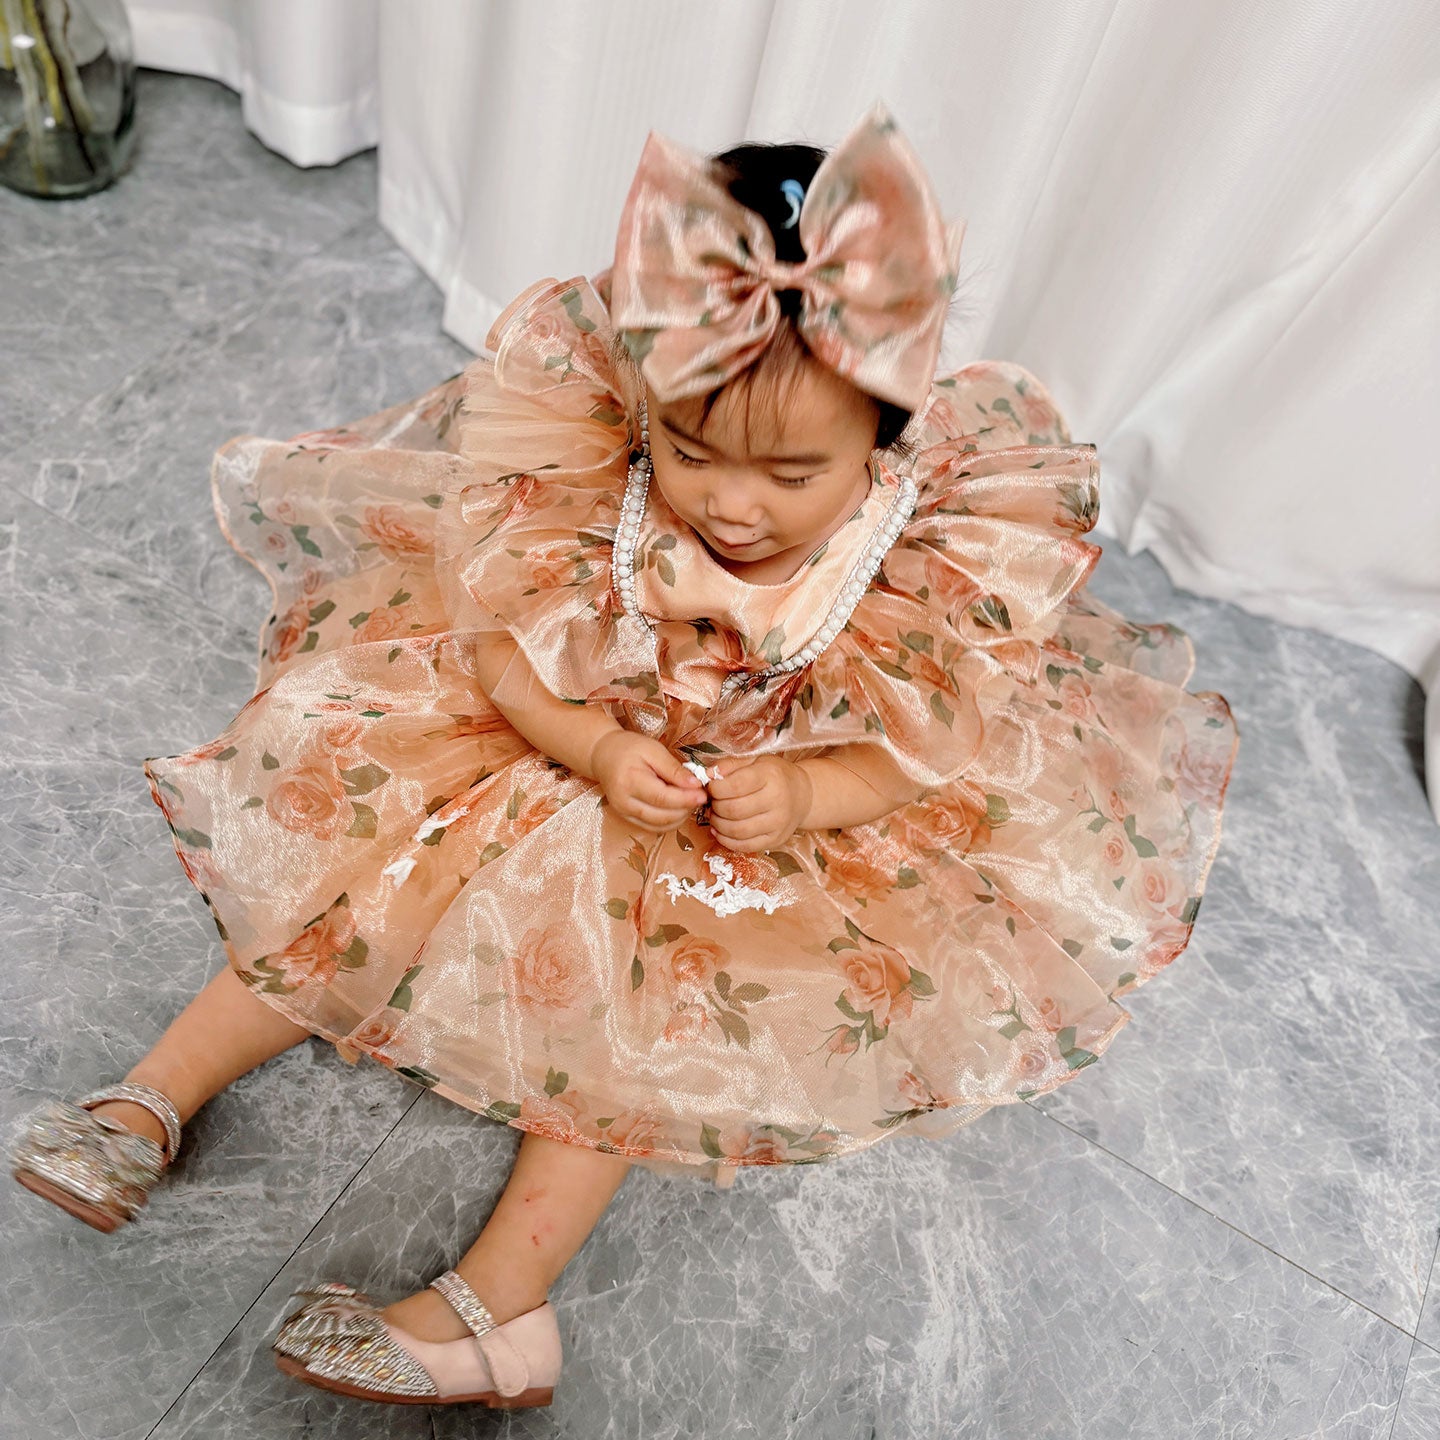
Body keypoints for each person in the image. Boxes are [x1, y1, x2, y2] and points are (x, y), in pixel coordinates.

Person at [9, 100, 1238, 1409]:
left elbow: (917, 749)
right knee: (365, 888)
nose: (732, 504)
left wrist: (804, 791)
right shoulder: (587, 467)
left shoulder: (919, 564)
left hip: (726, 828)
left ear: (884, 436)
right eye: (693, 449)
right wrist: (587, 741)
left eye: (791, 475)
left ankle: (502, 1309)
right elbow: (497, 649)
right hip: (560, 737)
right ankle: (150, 1096)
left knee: (632, 1028)